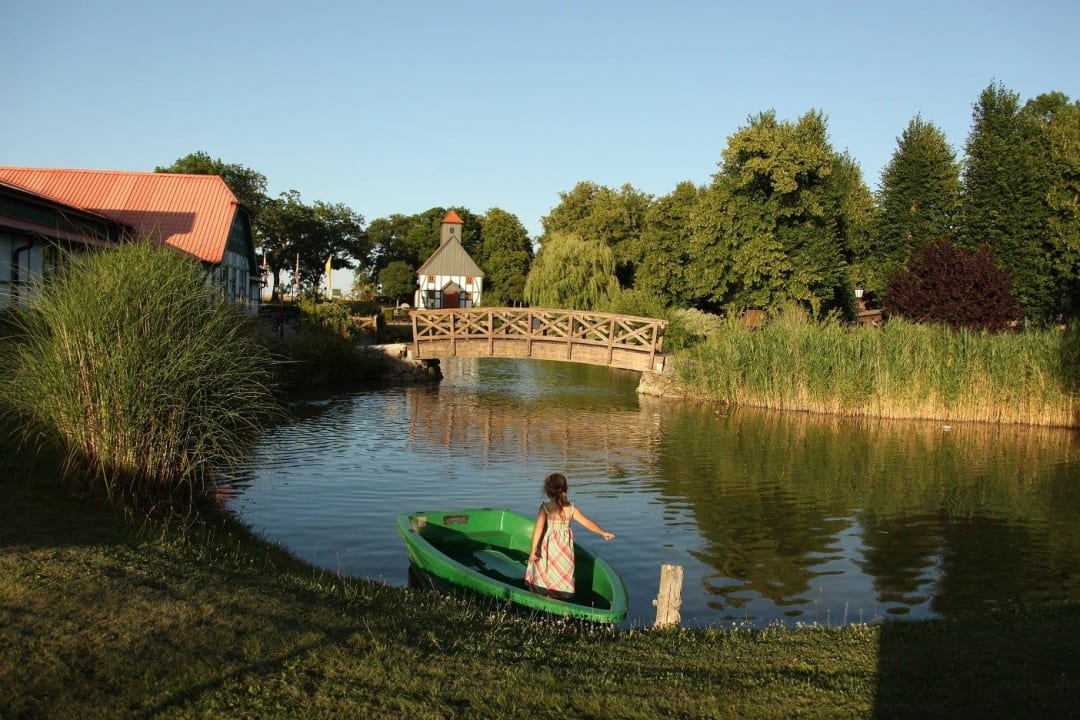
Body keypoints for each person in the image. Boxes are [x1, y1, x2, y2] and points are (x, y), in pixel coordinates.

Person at [525, 472, 614, 598]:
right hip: (564, 549)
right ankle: (563, 595)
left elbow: (538, 529)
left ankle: (542, 592)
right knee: (563, 569)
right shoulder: (571, 508)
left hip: (548, 547)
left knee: (545, 569)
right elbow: (586, 522)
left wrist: (534, 550)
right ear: (565, 489)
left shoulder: (545, 508)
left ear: (548, 491)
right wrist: (602, 532)